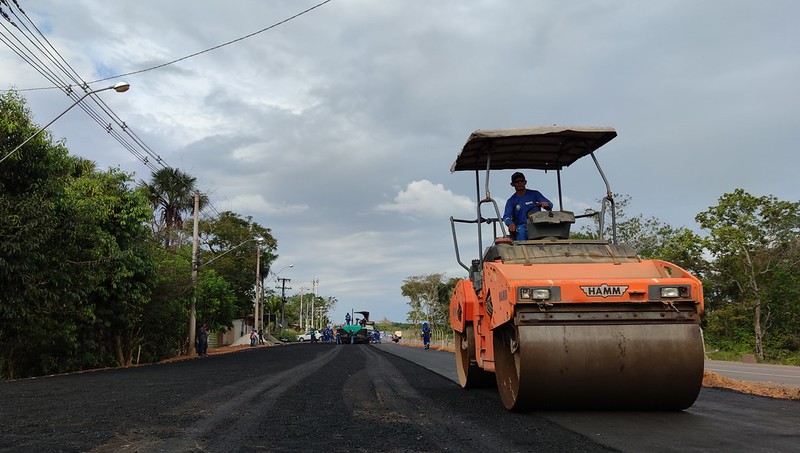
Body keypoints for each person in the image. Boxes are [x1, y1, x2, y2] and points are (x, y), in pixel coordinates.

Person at [503, 171, 552, 241]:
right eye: (517, 182)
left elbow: (550, 204)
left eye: (522, 181)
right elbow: (506, 217)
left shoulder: (535, 194)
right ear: (512, 184)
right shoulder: (511, 201)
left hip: (538, 224)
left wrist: (546, 204)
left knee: (550, 234)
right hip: (522, 226)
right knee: (521, 232)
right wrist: (510, 224)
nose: (520, 183)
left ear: (525, 182)